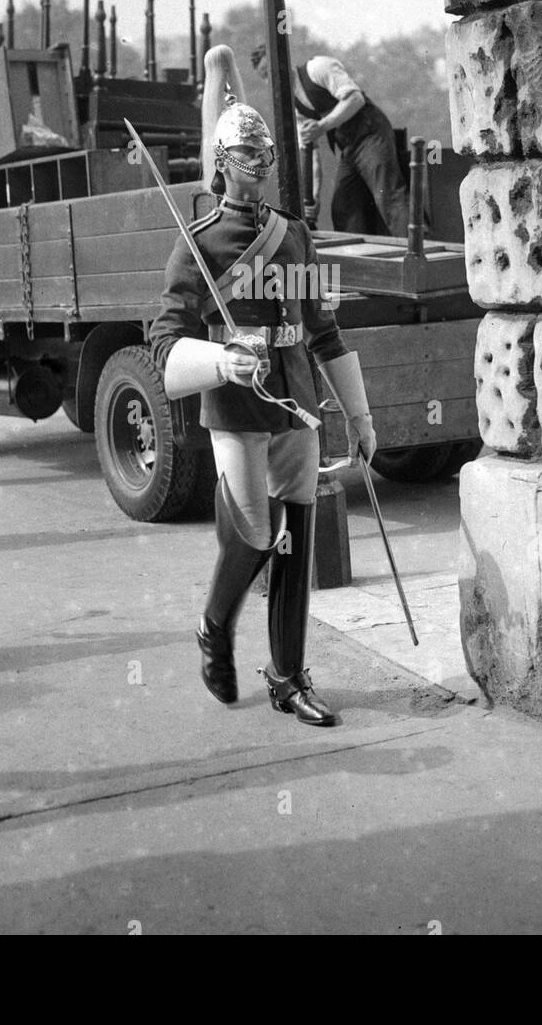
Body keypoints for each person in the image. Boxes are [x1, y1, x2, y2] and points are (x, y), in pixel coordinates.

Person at [149, 45, 377, 727]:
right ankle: (215, 626)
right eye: (247, 154)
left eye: (268, 153)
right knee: (253, 534)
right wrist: (221, 361)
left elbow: (324, 331)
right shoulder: (200, 244)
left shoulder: (296, 237)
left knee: (296, 538)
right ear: (222, 163)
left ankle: (288, 676)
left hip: (297, 401)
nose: (262, 163)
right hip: (236, 405)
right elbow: (163, 343)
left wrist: (360, 419)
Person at [251, 43, 409, 237]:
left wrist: (323, 125)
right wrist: (313, 201)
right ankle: (356, 261)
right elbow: (311, 152)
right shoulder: (295, 106)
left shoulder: (318, 68)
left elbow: (355, 99)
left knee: (388, 195)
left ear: (285, 63)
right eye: (265, 75)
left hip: (371, 134)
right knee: (343, 207)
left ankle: (417, 251)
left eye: (271, 70)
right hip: (348, 148)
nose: (271, 79)